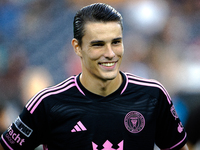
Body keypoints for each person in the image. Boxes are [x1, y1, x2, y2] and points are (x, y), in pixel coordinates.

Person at [0, 3, 188, 150]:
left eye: (116, 42)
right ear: (77, 47)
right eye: (98, 44)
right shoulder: (47, 103)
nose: (110, 53)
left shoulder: (153, 96)